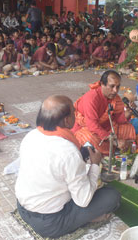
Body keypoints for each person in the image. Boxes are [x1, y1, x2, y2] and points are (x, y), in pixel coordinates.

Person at [15, 95, 120, 238]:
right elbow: (83, 200)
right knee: (112, 197)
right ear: (67, 120)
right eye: (73, 113)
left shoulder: (31, 135)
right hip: (50, 223)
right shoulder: (67, 151)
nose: (76, 116)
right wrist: (95, 164)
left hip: (22, 208)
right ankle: (84, 220)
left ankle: (80, 217)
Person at [72, 70, 136, 154]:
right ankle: (112, 147)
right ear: (102, 84)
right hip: (86, 128)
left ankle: (112, 146)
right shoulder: (92, 98)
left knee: (129, 128)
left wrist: (127, 115)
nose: (115, 90)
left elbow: (118, 120)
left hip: (106, 127)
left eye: (117, 86)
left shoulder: (115, 98)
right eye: (112, 86)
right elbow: (92, 125)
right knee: (90, 139)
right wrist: (113, 140)